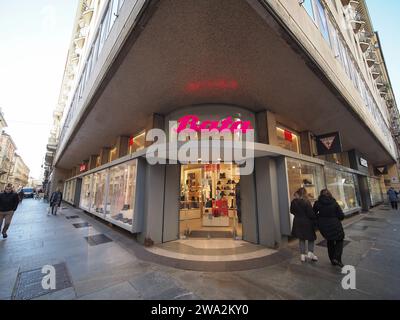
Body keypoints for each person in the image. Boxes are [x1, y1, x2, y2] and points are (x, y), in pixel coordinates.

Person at [313, 189, 345, 268]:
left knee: (330, 241)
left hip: (324, 226)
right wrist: (336, 219)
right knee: (339, 240)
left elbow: (313, 213)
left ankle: (333, 260)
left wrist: (320, 219)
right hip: (335, 224)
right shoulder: (334, 202)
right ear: (329, 194)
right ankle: (337, 258)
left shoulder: (317, 203)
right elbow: (341, 215)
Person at [290, 187, 318, 262]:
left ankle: (302, 255)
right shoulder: (306, 202)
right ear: (305, 193)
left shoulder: (293, 202)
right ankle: (310, 253)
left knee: (301, 238)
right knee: (311, 238)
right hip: (307, 222)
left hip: (297, 222)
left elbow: (291, 211)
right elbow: (311, 214)